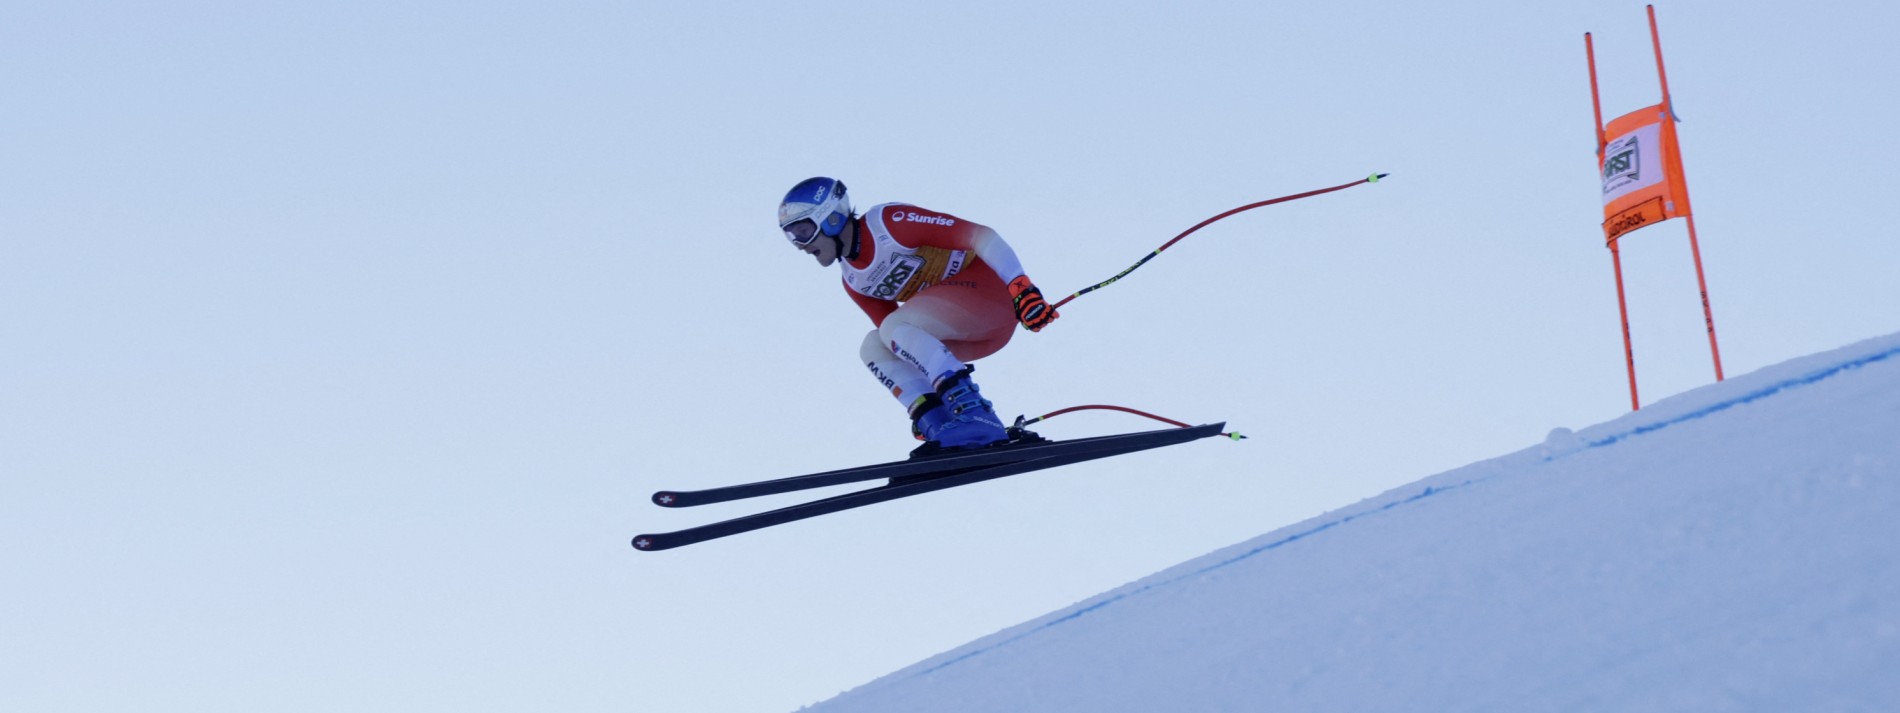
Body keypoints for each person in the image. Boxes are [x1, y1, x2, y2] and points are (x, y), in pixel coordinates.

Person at [775, 177, 1059, 453]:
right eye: (791, 236)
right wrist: (926, 402)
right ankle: (939, 424)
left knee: (894, 326)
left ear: (831, 218)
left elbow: (982, 235)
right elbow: (900, 345)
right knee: (874, 345)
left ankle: (976, 417)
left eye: (802, 231)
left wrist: (1021, 288)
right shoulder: (853, 280)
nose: (799, 244)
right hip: (971, 333)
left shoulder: (888, 223)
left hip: (993, 296)